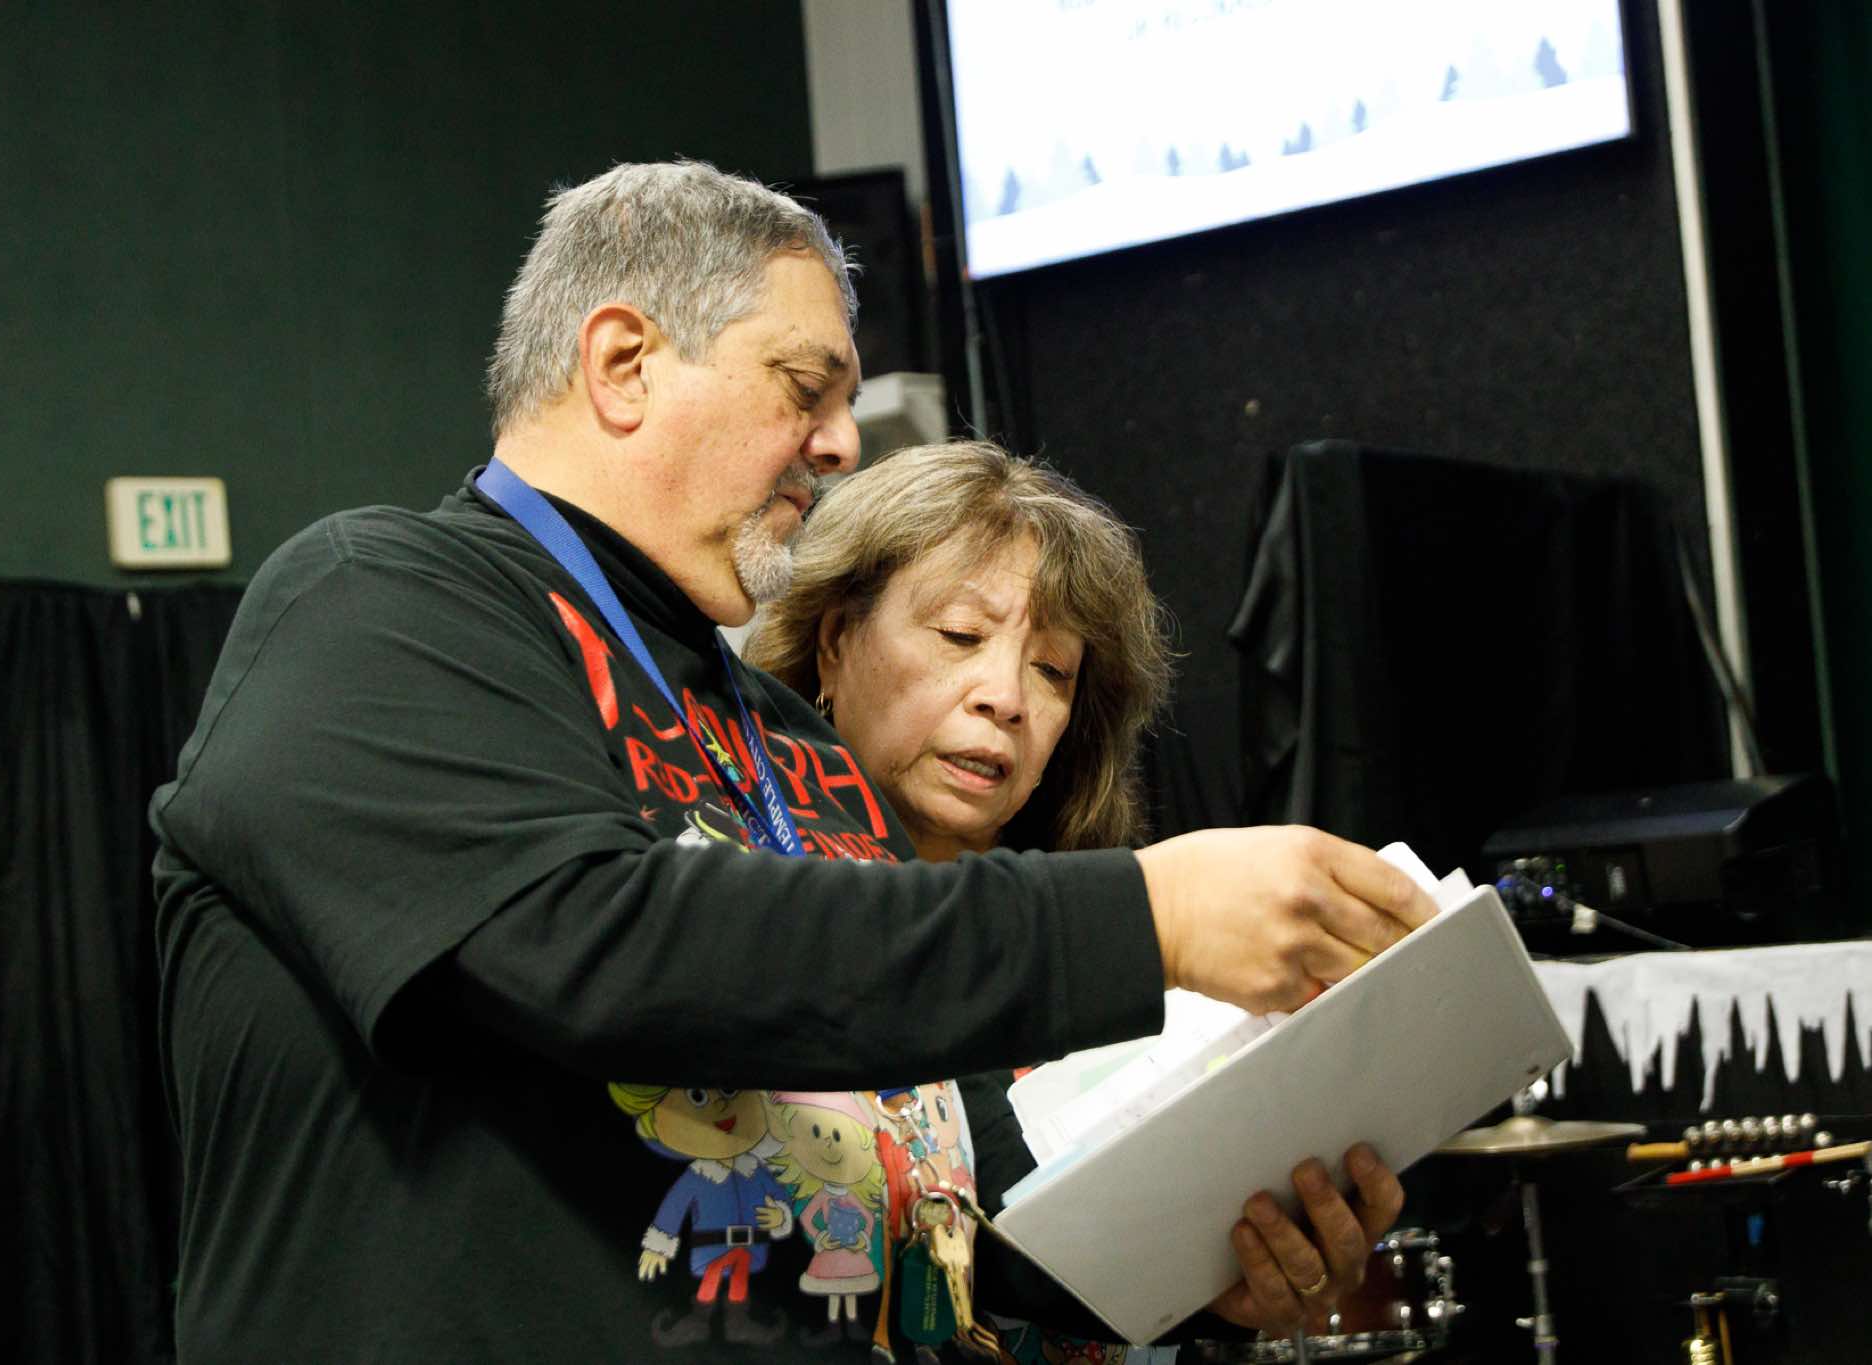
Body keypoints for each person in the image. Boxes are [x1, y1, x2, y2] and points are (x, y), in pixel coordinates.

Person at [149, 160, 1435, 1361]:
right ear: (623, 364)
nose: (839, 444)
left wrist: (1195, 1258)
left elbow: (959, 1192)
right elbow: (597, 941)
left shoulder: (792, 747)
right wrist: (1148, 920)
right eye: (803, 388)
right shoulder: (377, 602)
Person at [746, 440, 1403, 1355]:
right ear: (834, 642)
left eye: (1052, 670)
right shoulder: (746, 906)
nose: (1006, 697)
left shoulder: (1127, 946)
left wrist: (1233, 1273)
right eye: (960, 635)